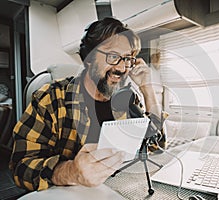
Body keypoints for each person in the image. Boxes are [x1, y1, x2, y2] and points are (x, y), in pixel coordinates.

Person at [9, 17, 166, 191]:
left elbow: (155, 145)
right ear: (88, 57)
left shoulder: (128, 99)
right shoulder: (51, 98)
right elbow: (20, 167)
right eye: (113, 56)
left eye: (128, 59)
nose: (122, 68)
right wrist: (70, 171)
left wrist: (148, 89)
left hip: (116, 190)